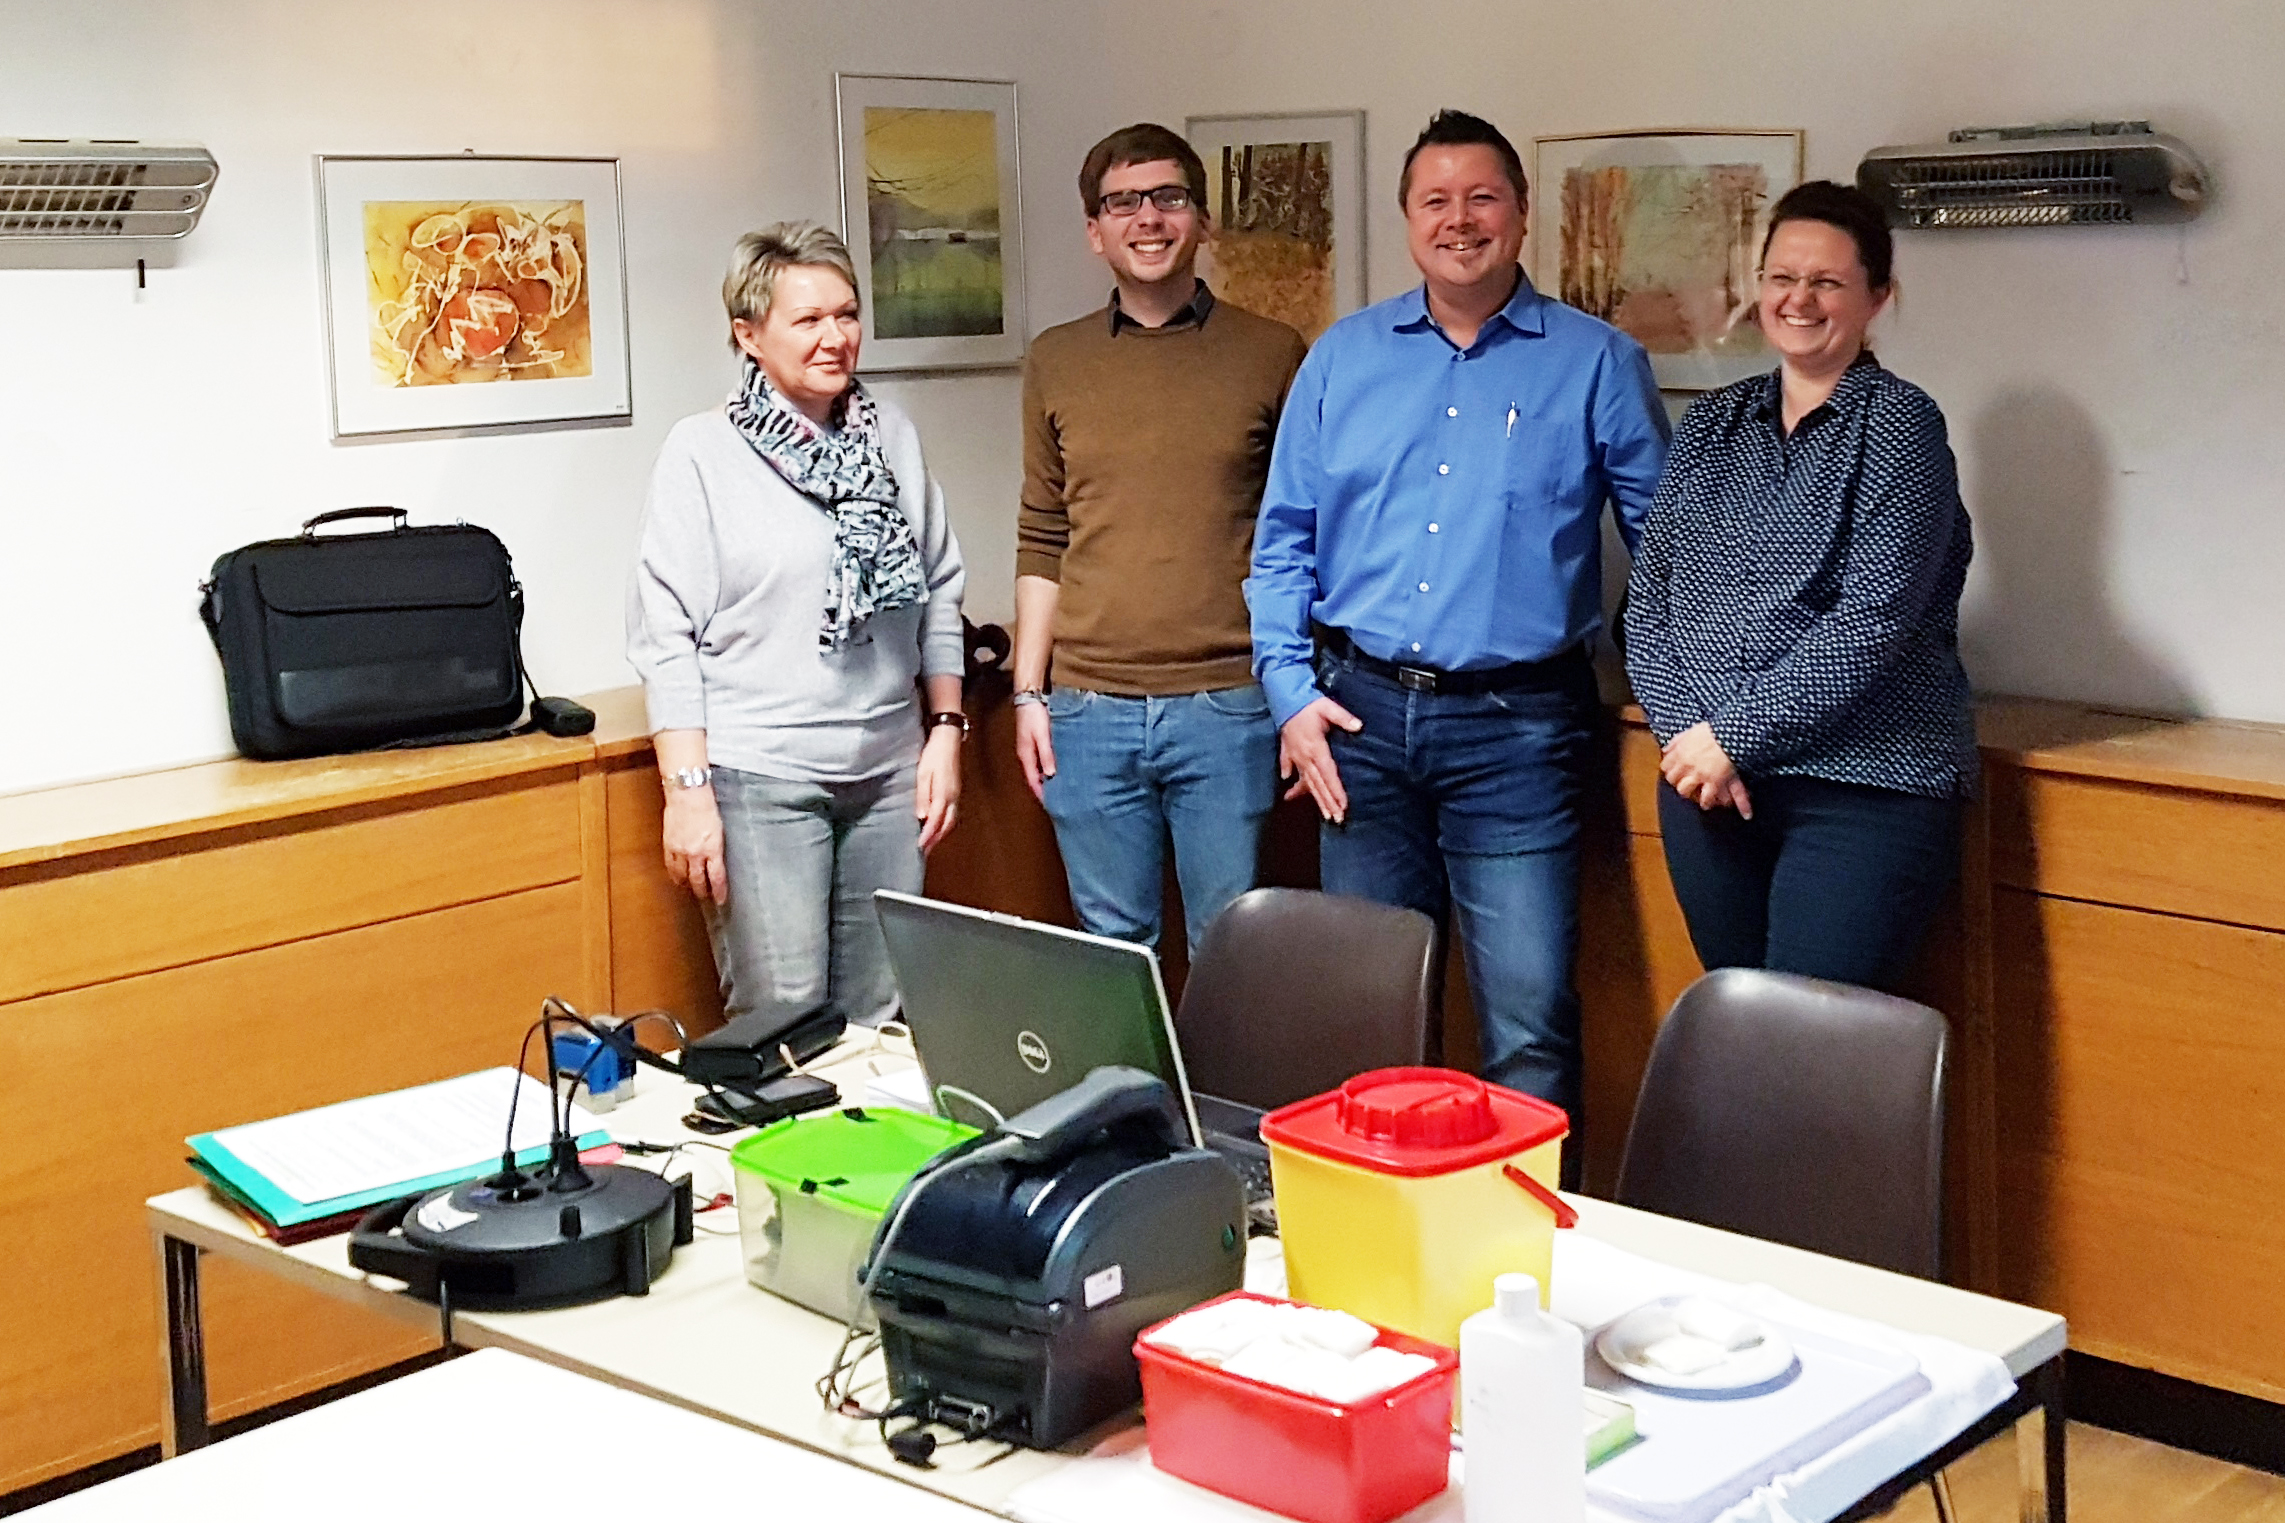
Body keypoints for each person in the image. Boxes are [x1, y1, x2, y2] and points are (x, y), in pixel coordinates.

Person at [1248, 111, 1669, 1144]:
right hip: (1353, 726)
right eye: (1434, 200)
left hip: (1518, 731)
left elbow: (1666, 548)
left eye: (1481, 197)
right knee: (1370, 1014)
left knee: (1526, 1023)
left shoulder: (1596, 362)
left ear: (1521, 216)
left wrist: (1679, 691)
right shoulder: (1339, 361)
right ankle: (1384, 1249)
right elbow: (1280, 546)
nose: (1459, 220)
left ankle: (1527, 1265)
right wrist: (1290, 699)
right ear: (1405, 221)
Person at [1624, 180, 1974, 990]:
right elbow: (1647, 607)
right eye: (1782, 277)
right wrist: (1690, 746)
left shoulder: (1900, 426)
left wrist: (1729, 738)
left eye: (1826, 282)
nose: (1798, 299)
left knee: (1808, 1041)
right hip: (1710, 790)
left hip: (1861, 788)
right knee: (1737, 1029)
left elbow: (1871, 623)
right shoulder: (1713, 423)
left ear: (1876, 297)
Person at [626, 222, 968, 1031]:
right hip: (761, 780)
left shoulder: (890, 438)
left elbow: (940, 587)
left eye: (846, 315)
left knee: (878, 1022)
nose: (835, 338)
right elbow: (664, 632)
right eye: (807, 320)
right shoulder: (701, 452)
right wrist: (687, 794)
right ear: (748, 334)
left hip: (889, 775)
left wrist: (946, 729)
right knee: (781, 1021)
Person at [1012, 123, 1308, 953]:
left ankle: (1220, 1094)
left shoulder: (1272, 353)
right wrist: (1030, 693)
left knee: (1233, 951)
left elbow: (1300, 536)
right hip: (1085, 710)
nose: (1147, 218)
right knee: (1112, 951)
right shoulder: (1055, 359)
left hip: (1229, 706)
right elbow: (1042, 532)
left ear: (1203, 222)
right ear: (1094, 230)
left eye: (1169, 197)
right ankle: (1134, 1095)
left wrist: (1293, 696)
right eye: (1123, 202)